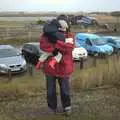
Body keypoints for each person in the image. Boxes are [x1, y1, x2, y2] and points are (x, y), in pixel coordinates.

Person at [37, 15, 74, 115]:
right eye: (60, 24)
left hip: (64, 68)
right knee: (50, 91)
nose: (62, 27)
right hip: (50, 68)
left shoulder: (69, 35)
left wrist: (56, 42)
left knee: (65, 90)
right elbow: (43, 46)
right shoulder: (47, 34)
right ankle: (52, 108)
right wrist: (54, 49)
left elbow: (69, 48)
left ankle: (67, 107)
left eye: (64, 24)